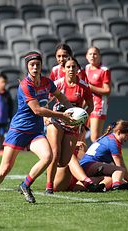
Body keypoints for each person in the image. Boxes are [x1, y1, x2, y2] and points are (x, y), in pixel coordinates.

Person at [0, 51, 74, 206]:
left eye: (38, 64)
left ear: (41, 66)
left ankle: (25, 185)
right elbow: (37, 110)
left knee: (47, 157)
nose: (35, 67)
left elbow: (61, 96)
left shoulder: (47, 82)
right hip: (18, 131)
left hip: (35, 132)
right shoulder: (25, 85)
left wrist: (72, 111)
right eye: (32, 65)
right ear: (27, 67)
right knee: (5, 169)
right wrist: (62, 115)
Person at [45, 56, 95, 194]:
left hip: (73, 125)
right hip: (56, 121)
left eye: (74, 67)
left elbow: (90, 106)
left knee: (64, 160)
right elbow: (45, 101)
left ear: (78, 69)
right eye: (68, 67)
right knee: (55, 153)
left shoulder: (84, 86)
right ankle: (49, 186)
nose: (71, 69)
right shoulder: (58, 84)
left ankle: (58, 178)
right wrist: (47, 117)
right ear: (63, 69)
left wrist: (82, 119)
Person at [79, 120, 128, 191]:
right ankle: (117, 185)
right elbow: (120, 164)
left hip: (85, 166)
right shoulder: (113, 142)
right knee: (120, 170)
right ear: (119, 132)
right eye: (127, 135)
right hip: (90, 165)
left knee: (111, 178)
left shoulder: (108, 137)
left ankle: (100, 187)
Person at [85, 47, 111, 142]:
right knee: (80, 135)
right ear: (86, 56)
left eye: (95, 54)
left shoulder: (104, 70)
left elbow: (107, 90)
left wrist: (91, 88)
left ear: (99, 56)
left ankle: (104, 155)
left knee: (95, 137)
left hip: (99, 104)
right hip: (87, 104)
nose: (93, 56)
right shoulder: (87, 68)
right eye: (90, 54)